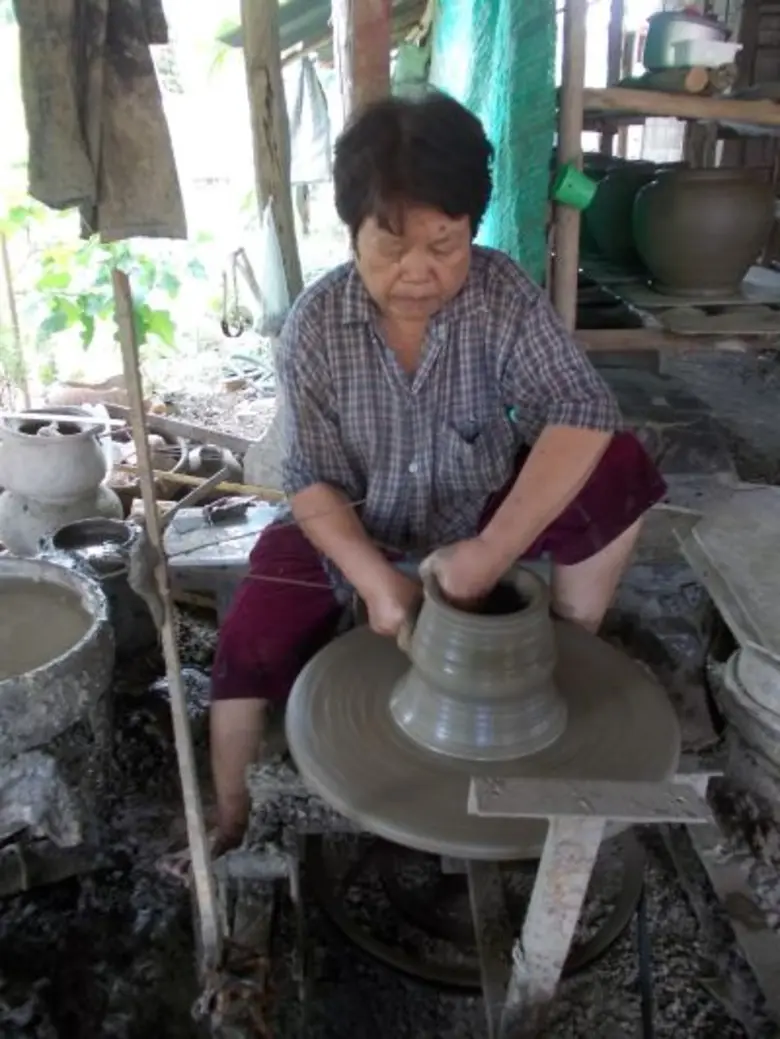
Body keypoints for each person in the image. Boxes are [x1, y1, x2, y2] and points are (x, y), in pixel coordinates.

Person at [167, 91, 666, 876]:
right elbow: (312, 483)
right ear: (352, 232)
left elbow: (580, 409)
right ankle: (229, 812)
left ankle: (564, 650)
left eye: (446, 243)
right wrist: (374, 580)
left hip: (475, 503)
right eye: (392, 246)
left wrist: (493, 551)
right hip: (363, 519)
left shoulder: (499, 294)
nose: (420, 272)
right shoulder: (315, 326)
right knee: (250, 640)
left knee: (618, 468)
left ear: (471, 228)